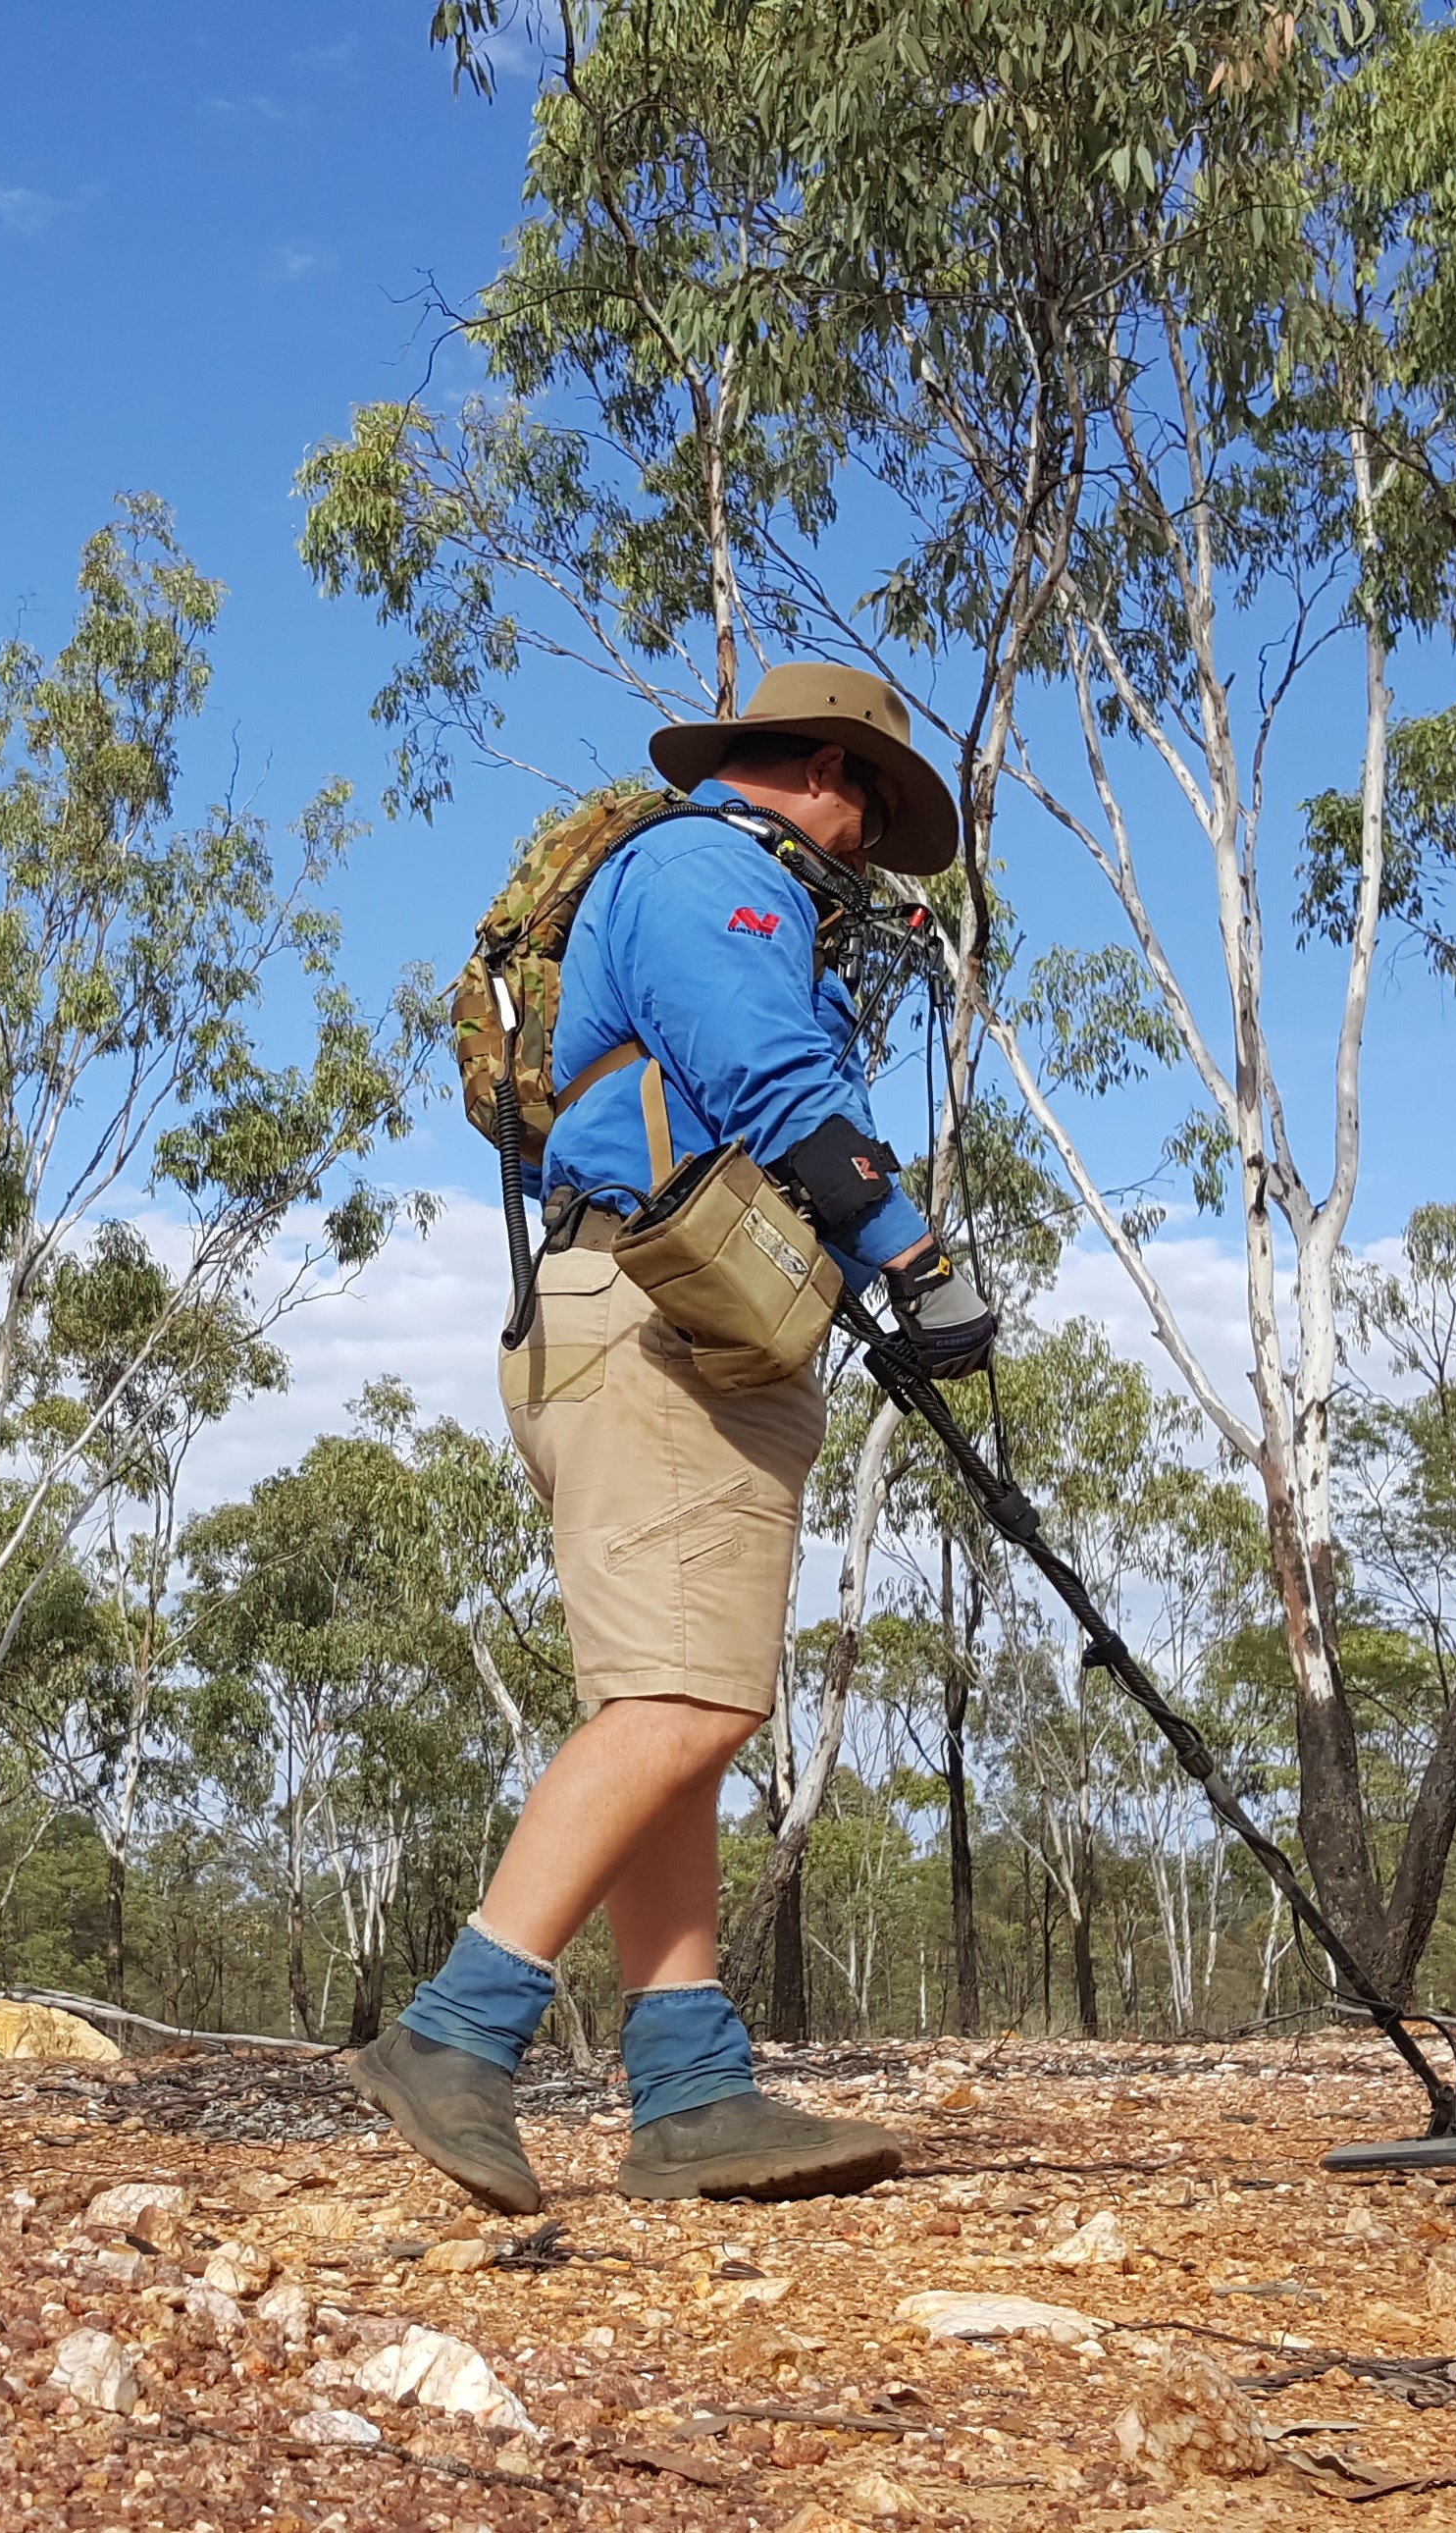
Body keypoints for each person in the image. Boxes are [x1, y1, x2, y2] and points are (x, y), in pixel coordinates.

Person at [350, 664, 995, 2210]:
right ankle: (456, 2031)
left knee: (676, 1720)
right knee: (681, 1704)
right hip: (659, 1332)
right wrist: (914, 1256)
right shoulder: (712, 868)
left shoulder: (688, 873)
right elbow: (767, 1080)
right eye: (870, 813)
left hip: (638, 1314)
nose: (865, 851)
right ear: (828, 768)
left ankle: (694, 2093)